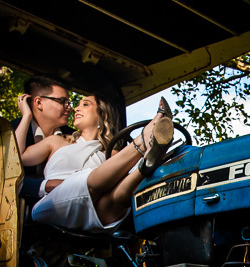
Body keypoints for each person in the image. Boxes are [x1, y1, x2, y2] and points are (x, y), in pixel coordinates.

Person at [30, 95, 173, 232]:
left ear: (102, 116)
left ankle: (145, 166)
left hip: (97, 216)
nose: (76, 109)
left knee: (115, 199)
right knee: (91, 182)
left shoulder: (112, 155)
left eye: (85, 104)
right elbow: (14, 162)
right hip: (54, 205)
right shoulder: (56, 141)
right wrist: (26, 115)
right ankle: (143, 142)